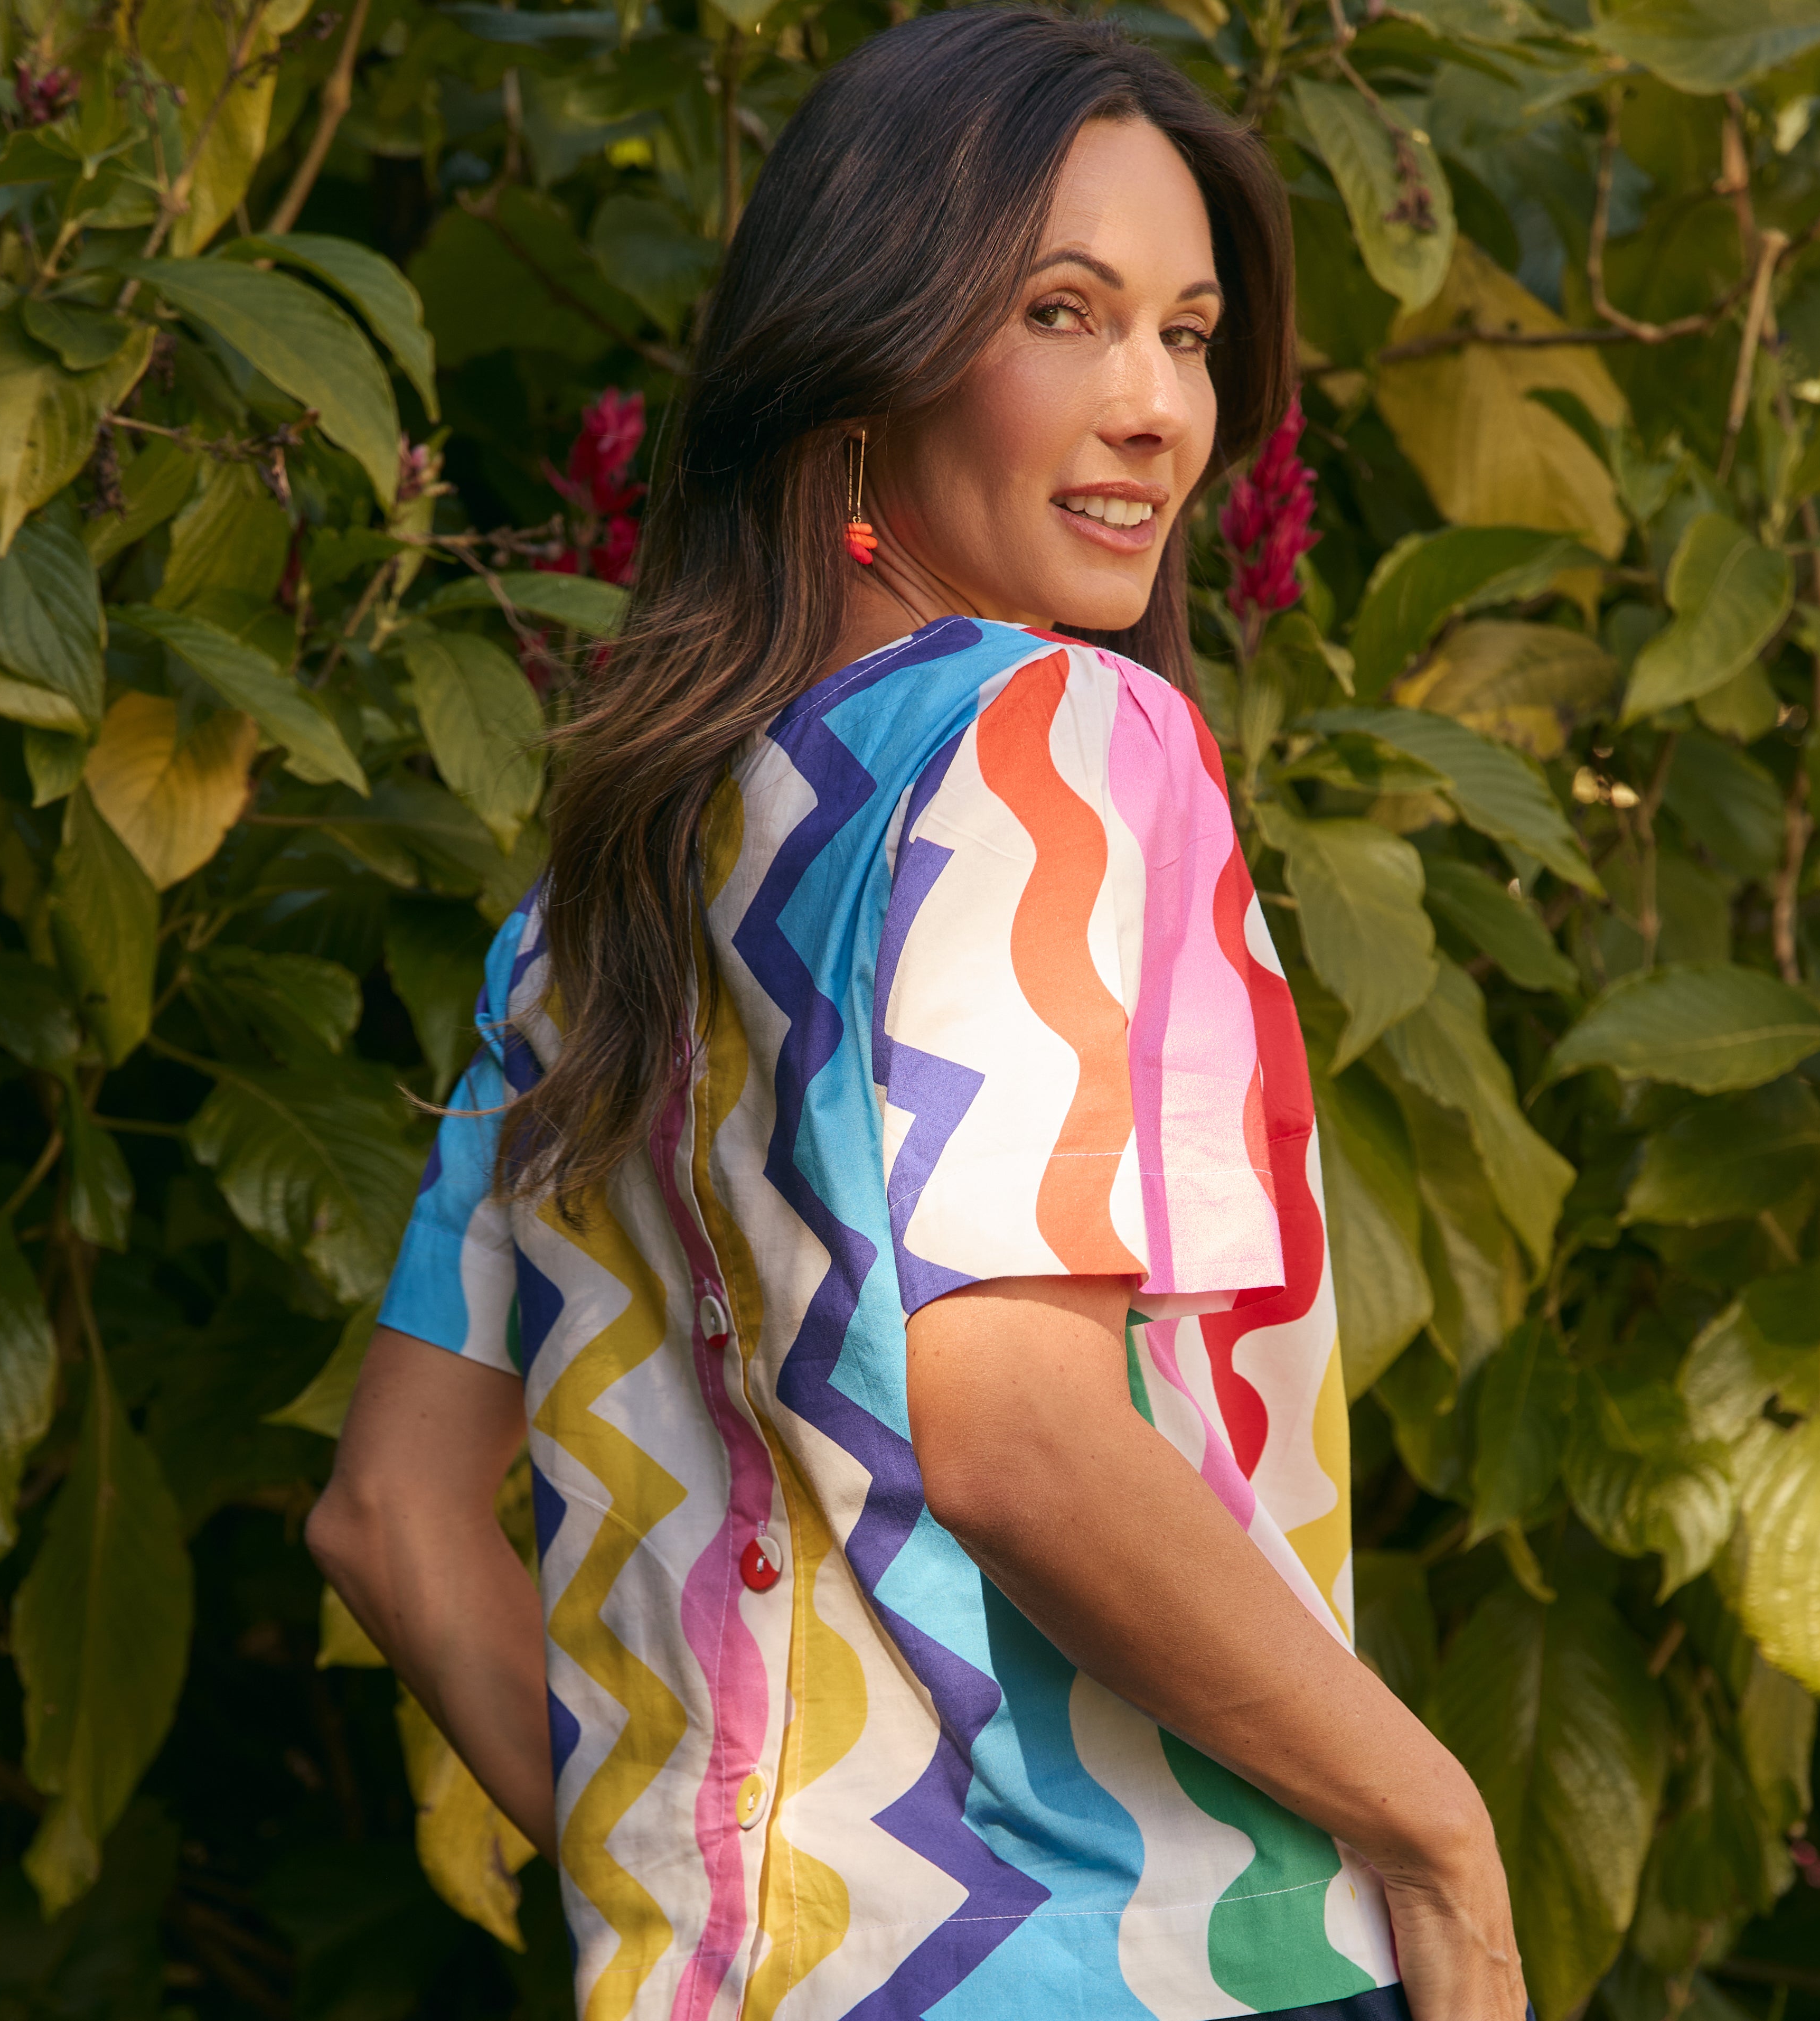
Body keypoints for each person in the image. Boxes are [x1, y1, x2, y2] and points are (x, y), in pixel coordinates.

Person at [307, 12, 1528, 2019]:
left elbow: (389, 1514)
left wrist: (710, 1922)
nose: (1157, 408)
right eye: (1063, 315)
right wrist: (1438, 1839)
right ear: (858, 355)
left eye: (1190, 336)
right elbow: (1016, 1426)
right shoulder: (1059, 734)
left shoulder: (593, 905)